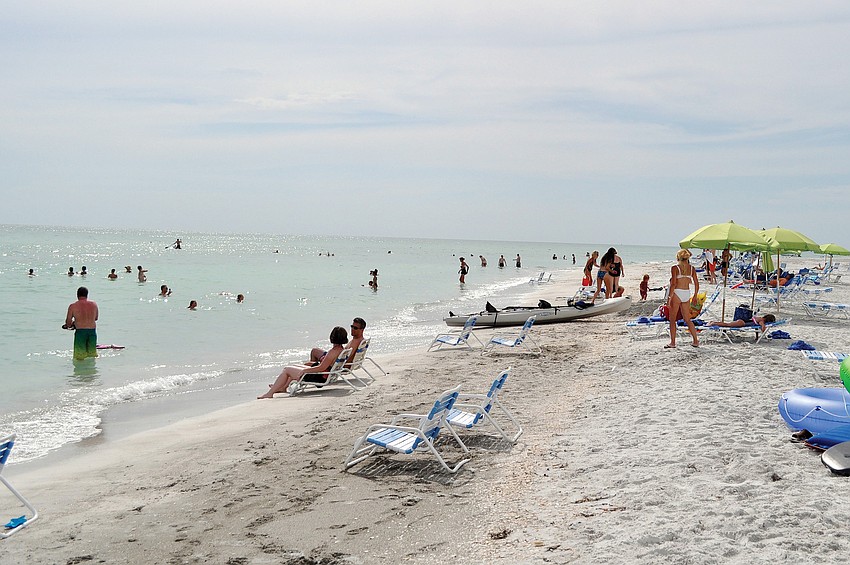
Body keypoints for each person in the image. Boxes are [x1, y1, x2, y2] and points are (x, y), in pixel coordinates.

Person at [259, 326, 349, 398]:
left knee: (286, 370)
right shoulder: (341, 350)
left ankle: (270, 393)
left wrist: (305, 371)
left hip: (319, 377)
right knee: (295, 366)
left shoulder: (333, 352)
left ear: (332, 337)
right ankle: (282, 387)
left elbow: (321, 368)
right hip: (324, 374)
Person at [666, 249, 700, 348]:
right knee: (687, 319)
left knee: (672, 320)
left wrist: (669, 298)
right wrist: (695, 295)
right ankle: (695, 341)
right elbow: (697, 283)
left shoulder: (675, 268)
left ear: (678, 257)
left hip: (677, 293)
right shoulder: (692, 268)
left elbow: (673, 284)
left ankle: (672, 343)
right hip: (686, 293)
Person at [63, 286, 99, 361]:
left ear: (77, 295)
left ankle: (81, 372)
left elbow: (68, 322)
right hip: (92, 332)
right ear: (87, 295)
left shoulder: (73, 306)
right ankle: (92, 372)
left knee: (79, 358)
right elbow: (95, 318)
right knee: (92, 356)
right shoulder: (94, 304)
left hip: (80, 332)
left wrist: (71, 325)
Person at [708, 313, 776, 332]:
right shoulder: (761, 320)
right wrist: (764, 330)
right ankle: (713, 323)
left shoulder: (759, 318)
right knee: (727, 325)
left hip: (742, 321)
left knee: (727, 324)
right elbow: (762, 327)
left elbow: (756, 329)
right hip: (742, 323)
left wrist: (757, 337)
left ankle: (714, 322)